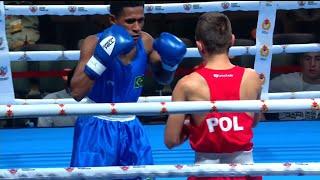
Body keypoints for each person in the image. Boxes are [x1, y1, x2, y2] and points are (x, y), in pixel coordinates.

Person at [70, 1, 186, 168]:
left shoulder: (146, 41)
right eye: (130, 21)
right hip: (96, 124)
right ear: (112, 20)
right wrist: (101, 58)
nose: (137, 27)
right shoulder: (94, 43)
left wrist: (170, 65)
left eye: (141, 20)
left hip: (131, 124)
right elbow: (77, 92)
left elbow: (163, 79)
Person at [164, 12, 264, 180]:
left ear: (199, 46)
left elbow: (171, 140)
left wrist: (194, 124)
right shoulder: (253, 77)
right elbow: (253, 122)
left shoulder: (187, 84)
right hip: (246, 172)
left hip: (206, 171)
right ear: (232, 40)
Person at [269, 52, 320, 120]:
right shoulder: (285, 81)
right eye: (307, 59)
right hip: (285, 129)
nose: (312, 64)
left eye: (318, 59)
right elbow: (257, 90)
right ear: (301, 61)